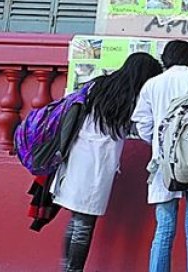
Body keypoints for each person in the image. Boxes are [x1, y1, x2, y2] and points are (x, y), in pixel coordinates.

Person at [51, 52, 163, 272]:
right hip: (98, 164)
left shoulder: (99, 84)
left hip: (76, 157)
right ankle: (73, 270)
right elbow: (139, 129)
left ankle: (67, 269)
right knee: (84, 222)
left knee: (76, 219)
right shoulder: (130, 98)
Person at [132, 40, 188, 272]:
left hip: (163, 165)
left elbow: (143, 124)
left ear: (166, 60)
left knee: (164, 227)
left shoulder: (153, 84)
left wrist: (159, 144)